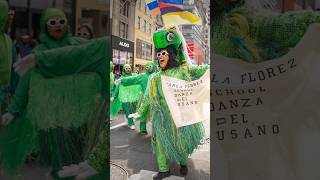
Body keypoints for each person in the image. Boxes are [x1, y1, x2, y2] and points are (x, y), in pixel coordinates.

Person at [0, 8, 109, 179]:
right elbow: (25, 83)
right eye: (52, 22)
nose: (57, 25)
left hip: (81, 114)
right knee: (61, 156)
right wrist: (14, 110)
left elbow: (90, 54)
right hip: (55, 119)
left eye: (61, 21)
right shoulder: (39, 51)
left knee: (85, 153)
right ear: (45, 26)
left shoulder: (77, 44)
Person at [130, 27, 209, 179]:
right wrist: (140, 112)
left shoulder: (183, 70)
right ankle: (163, 170)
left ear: (172, 55)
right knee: (160, 144)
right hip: (161, 119)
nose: (160, 56)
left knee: (181, 144)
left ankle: (183, 162)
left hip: (180, 118)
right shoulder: (155, 78)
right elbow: (149, 97)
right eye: (158, 54)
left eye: (163, 53)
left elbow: (202, 71)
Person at [117, 61, 157, 135]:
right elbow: (133, 79)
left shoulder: (157, 76)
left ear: (153, 66)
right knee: (143, 113)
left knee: (156, 115)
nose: (148, 68)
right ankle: (143, 129)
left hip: (156, 98)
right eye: (147, 67)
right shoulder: (142, 76)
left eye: (150, 66)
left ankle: (156, 132)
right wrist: (122, 80)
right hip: (145, 98)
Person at [111, 64, 141, 130]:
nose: (128, 69)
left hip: (133, 97)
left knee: (132, 110)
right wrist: (114, 96)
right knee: (127, 109)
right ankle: (131, 123)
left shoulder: (134, 76)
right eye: (126, 68)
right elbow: (117, 87)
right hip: (124, 97)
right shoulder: (121, 78)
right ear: (124, 69)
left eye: (129, 68)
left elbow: (139, 80)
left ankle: (128, 118)